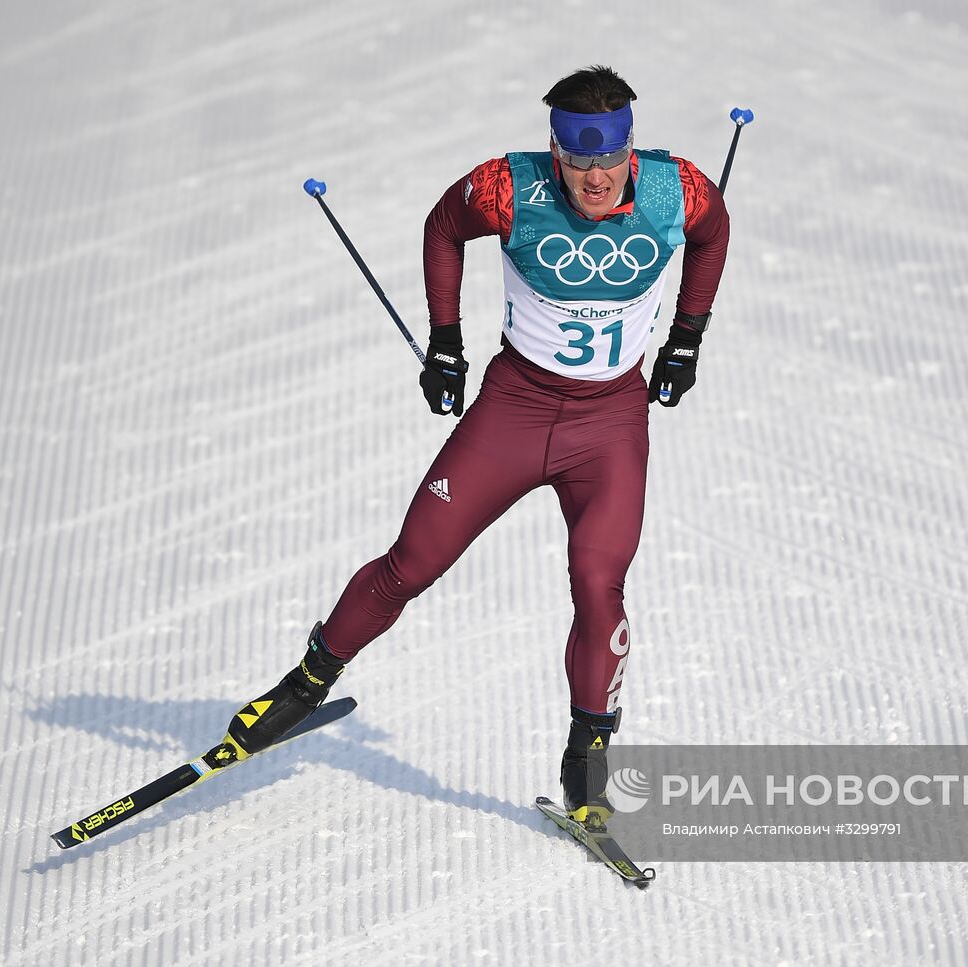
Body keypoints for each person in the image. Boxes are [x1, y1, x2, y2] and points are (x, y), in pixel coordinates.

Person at [225, 65, 730, 827]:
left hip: (610, 426)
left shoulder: (675, 190)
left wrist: (687, 337)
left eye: (609, 157)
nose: (595, 177)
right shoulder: (509, 188)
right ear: (554, 151)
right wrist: (446, 344)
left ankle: (587, 756)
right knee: (413, 560)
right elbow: (442, 227)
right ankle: (304, 683)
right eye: (577, 158)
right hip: (515, 412)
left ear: (632, 146)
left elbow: (714, 230)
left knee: (600, 583)